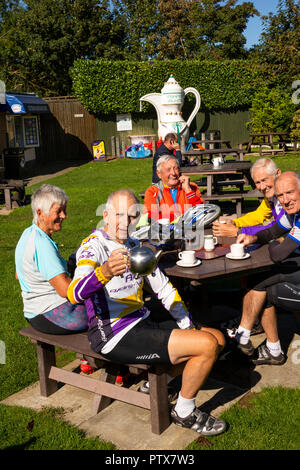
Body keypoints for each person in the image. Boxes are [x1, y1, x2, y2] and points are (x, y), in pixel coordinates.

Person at [67, 189, 227, 436]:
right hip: (113, 334)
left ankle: (161, 384)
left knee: (217, 338)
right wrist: (105, 272)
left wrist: (186, 324)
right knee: (206, 345)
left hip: (142, 321)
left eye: (131, 216)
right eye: (119, 215)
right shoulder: (93, 247)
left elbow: (163, 288)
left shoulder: (135, 246)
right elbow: (74, 293)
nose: (125, 222)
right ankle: (184, 411)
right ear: (106, 215)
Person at [231, 171, 300, 365]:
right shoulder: (294, 213)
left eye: (290, 193)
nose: (285, 200)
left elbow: (278, 254)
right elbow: (273, 230)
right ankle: (244, 337)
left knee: (265, 290)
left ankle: (268, 348)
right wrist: (254, 237)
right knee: (259, 279)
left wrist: (275, 243)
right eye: (281, 195)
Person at [15, 184, 88, 335]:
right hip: (51, 315)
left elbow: (19, 275)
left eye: (64, 210)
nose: (64, 216)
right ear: (40, 213)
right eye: (58, 211)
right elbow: (66, 290)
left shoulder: (28, 234)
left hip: (34, 312)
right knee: (110, 307)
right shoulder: (42, 244)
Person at [213, 158, 284, 238]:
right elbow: (259, 215)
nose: (262, 187)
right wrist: (235, 222)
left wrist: (239, 232)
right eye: (258, 182)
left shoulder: (290, 197)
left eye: (264, 180)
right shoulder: (272, 196)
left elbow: (276, 229)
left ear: (278, 173)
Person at [144, 155, 204, 222]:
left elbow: (200, 213)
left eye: (176, 168)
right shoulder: (153, 191)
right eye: (168, 169)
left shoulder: (192, 187)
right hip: (165, 231)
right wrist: (180, 219)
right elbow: (151, 216)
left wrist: (188, 191)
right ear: (159, 174)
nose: (173, 173)